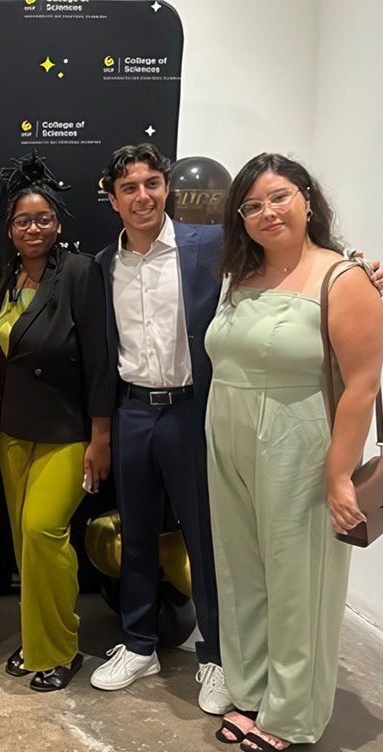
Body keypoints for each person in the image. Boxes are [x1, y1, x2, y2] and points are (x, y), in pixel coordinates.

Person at [205, 153, 383, 752]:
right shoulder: (240, 275)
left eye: (278, 197)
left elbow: (361, 385)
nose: (266, 213)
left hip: (296, 438)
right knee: (242, 570)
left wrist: (339, 474)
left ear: (307, 198)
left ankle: (292, 712)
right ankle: (252, 690)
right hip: (227, 434)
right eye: (251, 205)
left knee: (297, 577)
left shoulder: (344, 277)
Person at [87, 144, 232, 714]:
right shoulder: (104, 264)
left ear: (166, 188)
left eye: (152, 183)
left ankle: (217, 655)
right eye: (129, 188)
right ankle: (140, 643)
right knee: (138, 533)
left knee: (203, 535)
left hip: (191, 410)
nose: (143, 196)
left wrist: (353, 263)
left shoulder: (209, 246)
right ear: (112, 197)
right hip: (132, 411)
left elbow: (283, 263)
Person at [0, 155, 114, 692]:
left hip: (68, 431)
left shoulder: (81, 273)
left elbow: (103, 359)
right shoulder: (1, 276)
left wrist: (101, 436)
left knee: (44, 531)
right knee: (25, 544)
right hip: (14, 432)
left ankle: (62, 649)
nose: (32, 228)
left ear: (58, 222)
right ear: (9, 228)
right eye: (21, 221)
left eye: (42, 219)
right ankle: (37, 640)